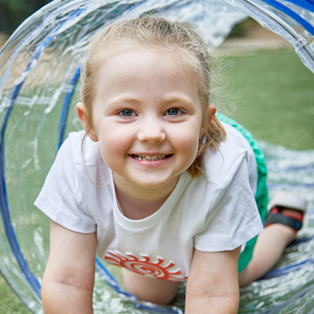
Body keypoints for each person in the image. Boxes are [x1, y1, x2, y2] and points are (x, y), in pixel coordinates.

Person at [35, 16, 307, 314]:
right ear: (89, 124)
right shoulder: (78, 163)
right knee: (148, 293)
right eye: (126, 112)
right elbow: (66, 281)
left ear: (205, 120)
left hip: (215, 167)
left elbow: (212, 296)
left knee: (237, 277)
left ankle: (281, 225)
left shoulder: (223, 173)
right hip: (180, 157)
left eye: (173, 110)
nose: (151, 133)